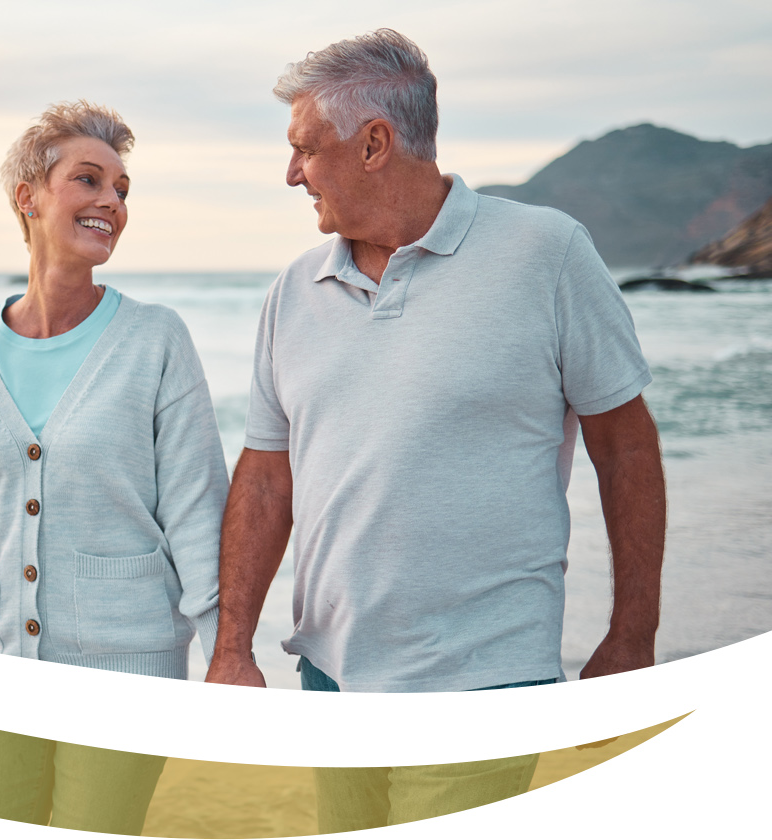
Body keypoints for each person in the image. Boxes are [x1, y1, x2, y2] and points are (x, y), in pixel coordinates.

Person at [204, 30, 667, 831]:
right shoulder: (294, 291)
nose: (291, 174)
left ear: (374, 143)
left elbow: (625, 447)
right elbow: (267, 473)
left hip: (487, 680)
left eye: (304, 150)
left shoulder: (545, 253)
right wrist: (233, 647)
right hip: (330, 678)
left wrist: (632, 635)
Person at [0, 100, 229, 835]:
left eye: (122, 189)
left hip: (129, 675)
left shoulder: (156, 340)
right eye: (88, 180)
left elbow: (198, 513)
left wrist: (230, 655)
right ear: (27, 197)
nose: (110, 202)